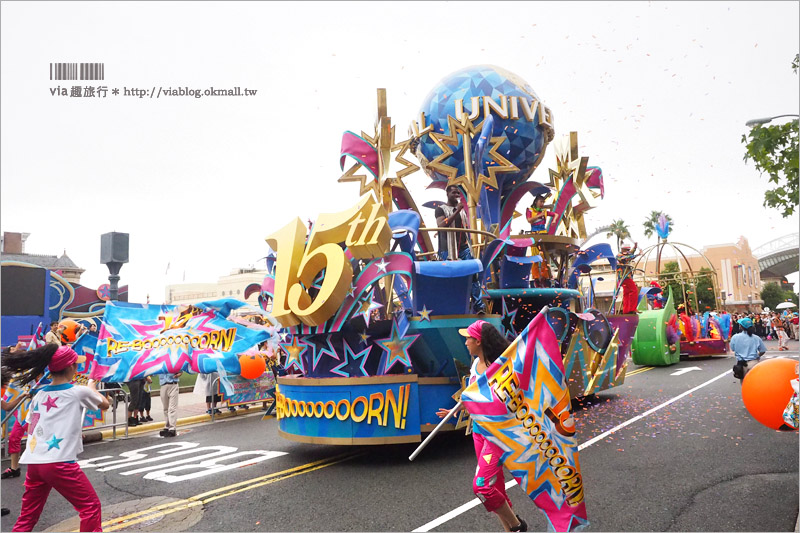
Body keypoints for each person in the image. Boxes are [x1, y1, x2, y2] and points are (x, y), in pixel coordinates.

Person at [3, 344, 109, 532]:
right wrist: (92, 386)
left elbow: (32, 426)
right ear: (71, 368)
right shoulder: (79, 391)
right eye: (76, 364)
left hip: (34, 462)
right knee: (90, 507)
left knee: (27, 517)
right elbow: (105, 405)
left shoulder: (40, 393)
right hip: (60, 463)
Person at [437, 320, 527, 532]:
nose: (465, 341)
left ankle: (516, 526)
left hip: (498, 434)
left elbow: (509, 399)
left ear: (479, 341)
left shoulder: (502, 367)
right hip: (479, 432)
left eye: (468, 338)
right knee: (495, 487)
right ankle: (510, 530)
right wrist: (456, 410)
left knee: (483, 486)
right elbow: (472, 397)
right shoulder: (475, 364)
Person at [435, 185, 486, 314]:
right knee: (450, 277)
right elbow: (441, 226)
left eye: (458, 192)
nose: (457, 194)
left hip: (464, 248)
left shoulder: (462, 210)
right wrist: (456, 211)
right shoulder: (440, 209)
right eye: (454, 192)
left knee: (473, 275)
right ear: (447, 194)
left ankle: (479, 307)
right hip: (448, 249)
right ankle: (450, 306)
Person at [1, 366, 30, 482]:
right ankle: (15, 468)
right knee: (13, 439)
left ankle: (15, 469)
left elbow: (6, 406)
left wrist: (20, 398)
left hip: (29, 414)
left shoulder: (35, 377)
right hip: (25, 415)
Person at [525, 195, 555, 287]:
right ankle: (536, 278)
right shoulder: (530, 210)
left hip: (543, 234)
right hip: (534, 234)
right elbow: (529, 220)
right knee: (535, 257)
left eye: (543, 202)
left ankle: (545, 277)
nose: (542, 204)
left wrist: (554, 220)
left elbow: (555, 214)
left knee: (544, 256)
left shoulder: (544, 212)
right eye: (540, 202)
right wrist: (540, 215)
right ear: (536, 201)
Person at [730, 317, 766, 382]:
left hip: (741, 364)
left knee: (744, 384)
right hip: (754, 363)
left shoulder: (735, 337)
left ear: (741, 327)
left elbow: (732, 348)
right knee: (755, 383)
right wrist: (757, 356)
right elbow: (762, 351)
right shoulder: (756, 338)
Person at [615, 243, 639, 314]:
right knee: (634, 290)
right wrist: (637, 255)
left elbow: (630, 254)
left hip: (625, 277)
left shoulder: (625, 254)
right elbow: (627, 257)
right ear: (623, 249)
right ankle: (632, 308)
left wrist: (634, 248)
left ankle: (626, 310)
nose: (628, 251)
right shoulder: (619, 256)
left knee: (627, 293)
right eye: (627, 250)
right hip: (624, 277)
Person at [158, 371, 181, 437]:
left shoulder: (173, 361)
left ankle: (172, 427)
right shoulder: (159, 362)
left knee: (172, 408)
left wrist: (179, 374)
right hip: (163, 385)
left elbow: (180, 370)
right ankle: (167, 425)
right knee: (165, 408)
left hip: (173, 384)